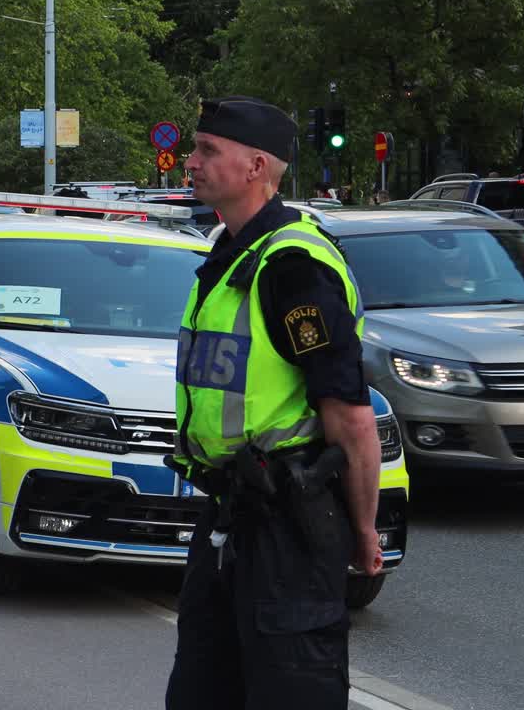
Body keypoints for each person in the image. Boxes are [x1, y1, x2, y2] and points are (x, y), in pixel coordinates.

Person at [166, 97, 383, 710]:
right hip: (229, 513)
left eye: (209, 150)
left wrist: (364, 529)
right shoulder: (229, 251)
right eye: (195, 147)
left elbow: (350, 415)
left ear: (257, 166)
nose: (191, 162)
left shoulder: (291, 267)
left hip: (290, 523)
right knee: (201, 691)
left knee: (290, 692)